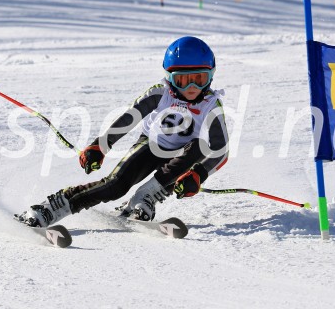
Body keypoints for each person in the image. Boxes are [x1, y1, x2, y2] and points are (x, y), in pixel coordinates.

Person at [16, 36, 230, 228]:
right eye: (182, 80)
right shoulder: (160, 94)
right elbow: (129, 118)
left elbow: (221, 151)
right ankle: (52, 207)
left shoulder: (211, 106)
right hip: (152, 145)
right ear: (169, 77)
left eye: (199, 79)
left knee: (200, 148)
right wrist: (100, 146)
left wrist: (198, 174)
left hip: (185, 154)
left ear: (210, 76)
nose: (191, 87)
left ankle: (146, 197)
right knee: (115, 187)